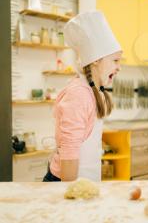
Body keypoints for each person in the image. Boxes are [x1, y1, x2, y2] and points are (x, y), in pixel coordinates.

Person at [43, 11, 122, 182]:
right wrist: (72, 200)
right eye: (115, 60)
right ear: (96, 60)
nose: (119, 67)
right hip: (66, 183)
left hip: (84, 183)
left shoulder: (94, 91)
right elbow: (69, 154)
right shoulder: (79, 94)